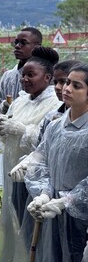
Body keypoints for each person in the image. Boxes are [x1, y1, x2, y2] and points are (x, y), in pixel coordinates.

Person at [0, 47, 61, 262]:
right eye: (23, 75)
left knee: (34, 220)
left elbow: (47, 142)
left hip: (36, 172)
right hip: (12, 169)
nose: (25, 79)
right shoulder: (21, 100)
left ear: (47, 77)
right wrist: (2, 127)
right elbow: (8, 139)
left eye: (31, 75)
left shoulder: (55, 104)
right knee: (14, 215)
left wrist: (22, 130)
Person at [25, 63, 88, 261]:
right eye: (67, 82)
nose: (66, 89)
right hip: (53, 210)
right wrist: (44, 194)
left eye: (76, 86)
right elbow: (43, 164)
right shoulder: (54, 127)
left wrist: (68, 201)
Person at [0, 27, 42, 115]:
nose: (17, 46)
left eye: (23, 43)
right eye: (16, 42)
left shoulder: (45, 76)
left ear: (37, 46)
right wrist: (3, 109)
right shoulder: (8, 76)